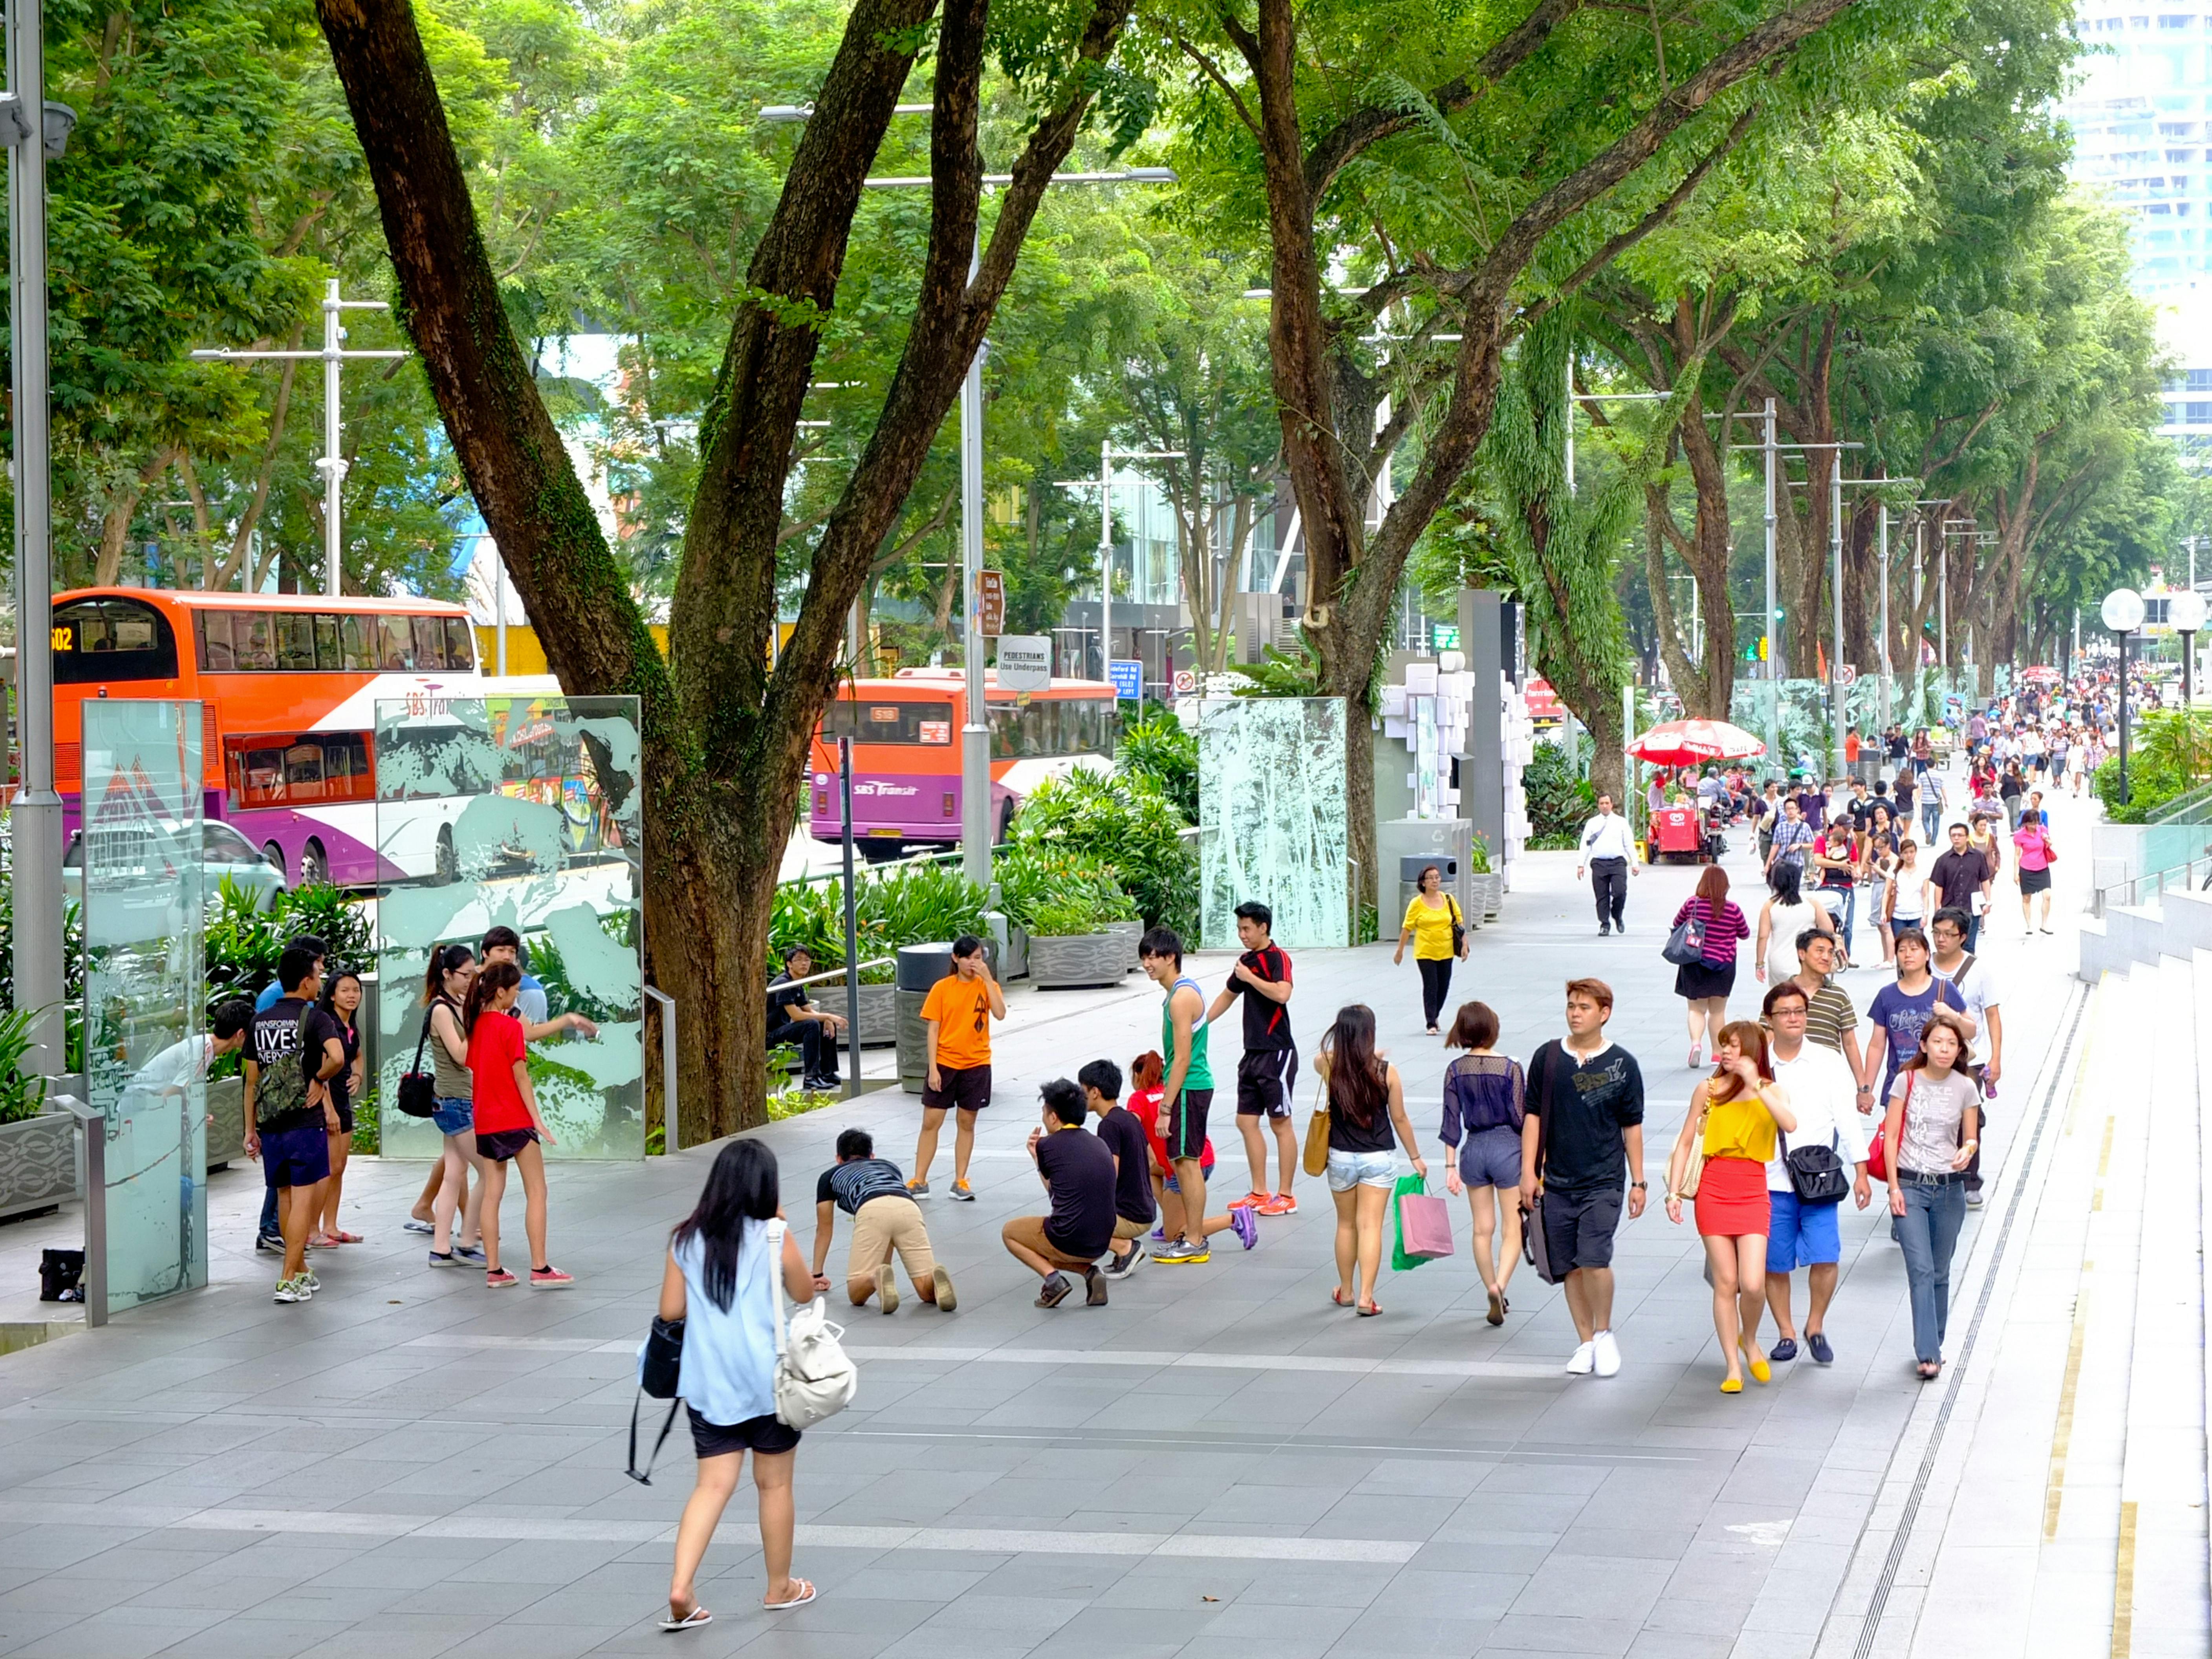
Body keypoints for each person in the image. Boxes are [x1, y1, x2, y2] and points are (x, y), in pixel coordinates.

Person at [658, 1137, 819, 1627]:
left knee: (711, 1486)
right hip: (769, 1382)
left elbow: (670, 1312)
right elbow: (803, 1291)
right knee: (774, 1486)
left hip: (709, 1383)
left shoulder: (685, 1239)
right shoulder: (775, 1235)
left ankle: (682, 1588)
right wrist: (784, 1228)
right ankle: (779, 1588)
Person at [1518, 979, 1647, 1378]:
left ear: (1604, 1013)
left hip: (1604, 1180)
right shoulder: (1548, 1058)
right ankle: (1585, 1342)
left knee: (1594, 1259)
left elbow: (1632, 1127)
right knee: (1569, 1267)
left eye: (1584, 1007)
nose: (1575, 1013)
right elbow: (1533, 1118)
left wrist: (1639, 1182)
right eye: (1571, 1006)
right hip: (1557, 1180)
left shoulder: (1622, 1064)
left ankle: (1604, 1332)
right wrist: (1528, 1173)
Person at [1663, 1021, 1796, 1393]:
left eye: (1736, 1046)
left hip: (1753, 1188)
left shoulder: (1771, 1091)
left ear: (1754, 1051)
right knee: (1726, 1281)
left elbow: (1790, 1123)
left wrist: (1755, 1082)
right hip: (1714, 1186)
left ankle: (1749, 1338)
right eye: (1725, 1046)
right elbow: (1688, 1140)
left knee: (1753, 1284)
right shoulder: (1708, 1090)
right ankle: (1733, 1366)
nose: (1728, 1053)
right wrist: (1674, 1193)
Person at [1758, 981, 1871, 1365]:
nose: (1793, 1019)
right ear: (1769, 1021)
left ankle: (1815, 1325)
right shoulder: (1758, 1064)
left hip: (1819, 1180)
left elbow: (1847, 1118)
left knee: (1826, 1256)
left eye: (1799, 1012)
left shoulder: (1827, 1060)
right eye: (1785, 1013)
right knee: (1775, 1262)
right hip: (1770, 1181)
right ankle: (1786, 1333)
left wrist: (1860, 1171)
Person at [1883, 1010, 1981, 1380]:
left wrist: (1967, 1151)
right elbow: (1891, 1136)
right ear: (1924, 1045)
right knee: (1921, 1269)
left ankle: (1934, 1342)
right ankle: (1927, 1352)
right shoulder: (1905, 1082)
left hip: (1949, 1188)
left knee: (1940, 1271)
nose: (1944, 1049)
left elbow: (1970, 1137)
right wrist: (1893, 1187)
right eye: (1937, 1042)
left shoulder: (1966, 1087)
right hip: (1910, 1184)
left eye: (1951, 1044)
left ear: (1959, 1051)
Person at [465, 960, 570, 1289]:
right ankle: (540, 1268)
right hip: (515, 1118)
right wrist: (537, 1120)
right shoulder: (510, 1028)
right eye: (515, 992)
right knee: (537, 1191)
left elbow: (474, 1069)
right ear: (501, 992)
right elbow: (520, 1075)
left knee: (492, 1195)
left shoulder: (474, 1026)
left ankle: (494, 1271)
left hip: (485, 1120)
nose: (517, 997)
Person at [1315, 1004, 1425, 1317]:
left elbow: (1319, 1059)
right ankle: (1366, 1297)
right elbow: (1399, 1118)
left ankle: (1346, 1290)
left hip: (1340, 1157)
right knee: (1371, 1226)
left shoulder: (1330, 1066)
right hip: (1378, 1156)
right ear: (1370, 1035)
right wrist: (1415, 1157)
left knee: (1346, 1225)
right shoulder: (1387, 1071)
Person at [244, 946, 339, 1305]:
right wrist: (318, 1078)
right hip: (304, 1119)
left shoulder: (260, 1021)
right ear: (305, 982)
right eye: (318, 975)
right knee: (303, 1198)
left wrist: (249, 1130)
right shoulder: (316, 1019)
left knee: (284, 1194)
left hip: (271, 1122)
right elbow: (338, 1057)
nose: (320, 982)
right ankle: (287, 1278)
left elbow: (251, 1082)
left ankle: (298, 1269)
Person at [1207, 901, 1299, 1215]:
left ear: (1264, 928)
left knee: (1280, 1123)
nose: (1242, 935)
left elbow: (1282, 994)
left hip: (1277, 1052)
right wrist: (1200, 1023)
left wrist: (1250, 977)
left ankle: (1286, 1196)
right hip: (1252, 1054)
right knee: (1246, 1121)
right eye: (1239, 929)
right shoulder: (1245, 962)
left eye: (1247, 928)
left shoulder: (1277, 959)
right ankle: (1259, 1192)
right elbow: (1227, 996)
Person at [1438, 1001, 1525, 1327]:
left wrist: (1450, 1168)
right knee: (1512, 1228)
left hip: (1473, 1150)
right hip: (1507, 1149)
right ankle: (1500, 1285)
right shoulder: (1510, 1068)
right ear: (1493, 1028)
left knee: (1481, 1229)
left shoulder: (1455, 1070)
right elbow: (1520, 1117)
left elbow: (1451, 1121)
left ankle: (1490, 1286)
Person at [1123, 1051, 1256, 1257]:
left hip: (1181, 1166)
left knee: (1174, 1234)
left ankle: (1234, 1219)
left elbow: (1130, 1127)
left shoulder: (1138, 1098)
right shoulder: (1172, 1090)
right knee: (1152, 1171)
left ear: (1139, 1076)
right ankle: (1173, 1214)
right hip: (1203, 1157)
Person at [809, 1128, 953, 1313]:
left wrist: (817, 1274)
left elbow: (824, 1230)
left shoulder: (830, 1176)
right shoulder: (889, 1166)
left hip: (870, 1208)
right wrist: (884, 1266)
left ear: (838, 1159)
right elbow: (890, 1228)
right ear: (872, 1156)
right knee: (926, 1292)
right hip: (909, 1207)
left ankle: (874, 1279)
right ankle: (934, 1280)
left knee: (856, 1293)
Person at [1142, 927, 1220, 1263]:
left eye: (1153, 957)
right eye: (1144, 957)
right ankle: (1192, 1236)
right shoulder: (1176, 993)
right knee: (1182, 1163)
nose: (1147, 963)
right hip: (1189, 1087)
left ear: (1171, 957)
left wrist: (1166, 1107)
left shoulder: (1180, 997)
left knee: (1188, 1165)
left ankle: (1194, 1239)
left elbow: (1183, 1058)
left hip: (1189, 1088)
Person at [1002, 1079, 1117, 1307]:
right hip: (1103, 1240)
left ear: (1053, 1117)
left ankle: (1053, 1281)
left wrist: (1037, 1156)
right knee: (1049, 1245)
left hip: (1069, 1237)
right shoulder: (1099, 1143)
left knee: (1011, 1233)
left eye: (1045, 1113)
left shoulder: (1049, 1145)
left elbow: (1052, 1192)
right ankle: (1090, 1273)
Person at [910, 935, 1003, 1201]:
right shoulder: (942, 988)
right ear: (956, 958)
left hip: (977, 1063)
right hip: (945, 1062)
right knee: (931, 1121)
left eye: (978, 958)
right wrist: (934, 1068)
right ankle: (920, 1179)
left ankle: (960, 1180)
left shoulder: (988, 986)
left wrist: (987, 979)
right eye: (968, 958)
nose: (973, 963)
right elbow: (933, 1030)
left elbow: (1000, 1013)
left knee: (967, 1122)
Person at [254, 932, 328, 1252]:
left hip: (274, 1109)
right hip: (292, 1107)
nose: (323, 973)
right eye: (320, 966)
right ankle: (284, 1247)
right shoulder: (284, 1003)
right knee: (294, 1190)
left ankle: (289, 1250)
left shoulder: (276, 1000)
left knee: (285, 1187)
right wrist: (320, 1080)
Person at [1928, 908, 2001, 1211]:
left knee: (1968, 1119)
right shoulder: (1921, 965)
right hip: (1930, 1057)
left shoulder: (1979, 970)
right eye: (1936, 933)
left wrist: (1995, 1060)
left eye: (1948, 934)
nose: (1940, 940)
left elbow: (1993, 1016)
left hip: (1969, 1059)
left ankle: (1970, 1179)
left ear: (1963, 936)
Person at [420, 945, 488, 1269]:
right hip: (454, 1102)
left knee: (454, 1174)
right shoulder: (442, 1010)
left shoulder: (460, 1004)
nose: (469, 980)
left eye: (474, 974)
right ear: (447, 974)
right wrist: (478, 1024)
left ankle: (442, 1248)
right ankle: (467, 1240)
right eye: (465, 975)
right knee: (489, 1171)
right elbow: (462, 1055)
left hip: (458, 1100)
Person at [1862, 928, 1970, 1108]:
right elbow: (1877, 1045)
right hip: (1899, 1087)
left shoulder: (1945, 989)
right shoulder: (1886, 995)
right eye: (1902, 950)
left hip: (1940, 1087)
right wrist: (1867, 1090)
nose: (1908, 955)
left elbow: (1971, 1031)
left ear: (1927, 954)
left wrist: (1952, 1015)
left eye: (1914, 949)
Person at [1080, 1059, 1156, 1276]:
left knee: (1076, 1221)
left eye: (1082, 1090)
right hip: (1145, 1208)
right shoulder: (1129, 1119)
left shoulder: (1109, 1125)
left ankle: (1126, 1249)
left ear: (1095, 1092)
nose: (1080, 1096)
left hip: (1129, 1215)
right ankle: (1122, 1249)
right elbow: (1152, 1160)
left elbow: (1109, 1174)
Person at [1670, 865, 1750, 1069]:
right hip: (1724, 965)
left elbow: (1677, 923)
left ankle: (1696, 1044)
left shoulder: (1692, 904)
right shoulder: (1733, 909)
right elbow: (1745, 933)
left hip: (1695, 963)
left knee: (1696, 1009)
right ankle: (1717, 1053)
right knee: (1717, 1011)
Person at [309, 969, 366, 1249]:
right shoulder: (326, 1024)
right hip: (327, 1103)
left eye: (356, 990)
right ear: (332, 995)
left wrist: (358, 1074)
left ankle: (331, 1226)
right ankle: (312, 1228)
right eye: (345, 990)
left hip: (343, 1102)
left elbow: (357, 1053)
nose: (352, 995)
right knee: (328, 1168)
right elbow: (321, 1070)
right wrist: (328, 1109)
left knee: (339, 1167)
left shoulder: (350, 1026)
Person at [1789, 929, 1871, 1104]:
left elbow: (1850, 1043)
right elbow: (1768, 1038)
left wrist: (1863, 1088)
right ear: (1802, 954)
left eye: (1830, 952)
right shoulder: (1782, 994)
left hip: (1828, 1084)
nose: (1826, 957)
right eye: (1820, 951)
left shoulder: (1838, 996)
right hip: (1789, 1082)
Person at [1393, 863, 1469, 1031]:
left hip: (1446, 950)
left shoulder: (1448, 899)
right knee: (1431, 986)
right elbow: (1407, 928)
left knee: (1444, 986)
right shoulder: (1417, 903)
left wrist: (1465, 944)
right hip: (1425, 952)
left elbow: (1459, 923)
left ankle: (1435, 1015)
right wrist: (1400, 951)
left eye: (1437, 877)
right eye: (1431, 878)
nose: (1435, 881)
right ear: (1423, 883)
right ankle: (1431, 1023)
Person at [767, 945, 845, 1092]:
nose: (804, 964)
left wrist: (827, 1019)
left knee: (823, 1024)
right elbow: (796, 1016)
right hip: (770, 1036)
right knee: (811, 1025)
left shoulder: (797, 983)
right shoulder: (783, 983)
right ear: (789, 964)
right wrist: (827, 1016)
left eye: (807, 960)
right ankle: (811, 1078)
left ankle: (827, 1073)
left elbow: (807, 1010)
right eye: (799, 960)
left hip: (782, 1030)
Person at [1754, 861, 1833, 987]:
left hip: (1778, 961)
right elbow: (1829, 929)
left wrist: (1760, 964)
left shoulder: (1770, 906)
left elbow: (1763, 936)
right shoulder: (1812, 905)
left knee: (1781, 999)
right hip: (1806, 960)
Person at [1575, 793, 1638, 936]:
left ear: (1612, 804)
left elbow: (1629, 843)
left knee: (1620, 892)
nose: (1604, 806)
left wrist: (1635, 863)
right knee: (1601, 896)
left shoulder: (1621, 822)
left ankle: (1617, 914)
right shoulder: (1592, 823)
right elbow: (1586, 844)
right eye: (1602, 803)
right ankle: (1604, 924)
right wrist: (1581, 865)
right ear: (1598, 805)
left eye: (1607, 803)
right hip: (1599, 863)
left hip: (1617, 862)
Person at [1926, 822, 1993, 950]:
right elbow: (1939, 886)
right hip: (1950, 909)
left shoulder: (1978, 857)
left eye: (1960, 835)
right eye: (1953, 836)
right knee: (1952, 946)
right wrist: (1937, 909)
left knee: (1969, 946)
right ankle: (1954, 970)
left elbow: (1985, 880)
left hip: (1971, 909)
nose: (1956, 838)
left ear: (1967, 837)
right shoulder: (1943, 860)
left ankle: (1967, 971)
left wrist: (1988, 902)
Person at [1810, 818, 1861, 962]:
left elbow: (1856, 864)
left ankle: (1846, 958)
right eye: (1845, 829)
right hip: (1827, 885)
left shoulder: (1850, 843)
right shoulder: (1823, 840)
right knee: (1824, 923)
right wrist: (1840, 865)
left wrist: (1857, 873)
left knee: (1848, 925)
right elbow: (1818, 860)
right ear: (1837, 827)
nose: (1847, 833)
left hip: (1847, 886)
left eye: (1850, 829)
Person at [2013, 810, 2057, 934]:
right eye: (2031, 824)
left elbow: (2050, 843)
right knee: (2027, 898)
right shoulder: (2019, 835)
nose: (2034, 826)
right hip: (2026, 868)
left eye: (2035, 823)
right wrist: (2015, 873)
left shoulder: (2042, 830)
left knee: (2048, 895)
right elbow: (2017, 854)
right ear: (2025, 823)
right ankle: (2029, 925)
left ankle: (2044, 924)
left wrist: (2048, 841)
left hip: (2042, 867)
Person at [1765, 795, 1816, 878]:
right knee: (1782, 889)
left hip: (1797, 864)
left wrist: (1800, 845)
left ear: (1798, 810)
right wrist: (1768, 865)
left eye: (1793, 808)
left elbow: (1813, 845)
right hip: (1782, 864)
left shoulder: (1804, 827)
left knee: (1794, 889)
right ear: (1785, 811)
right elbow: (1775, 846)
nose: (1791, 811)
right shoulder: (1780, 827)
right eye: (1788, 809)